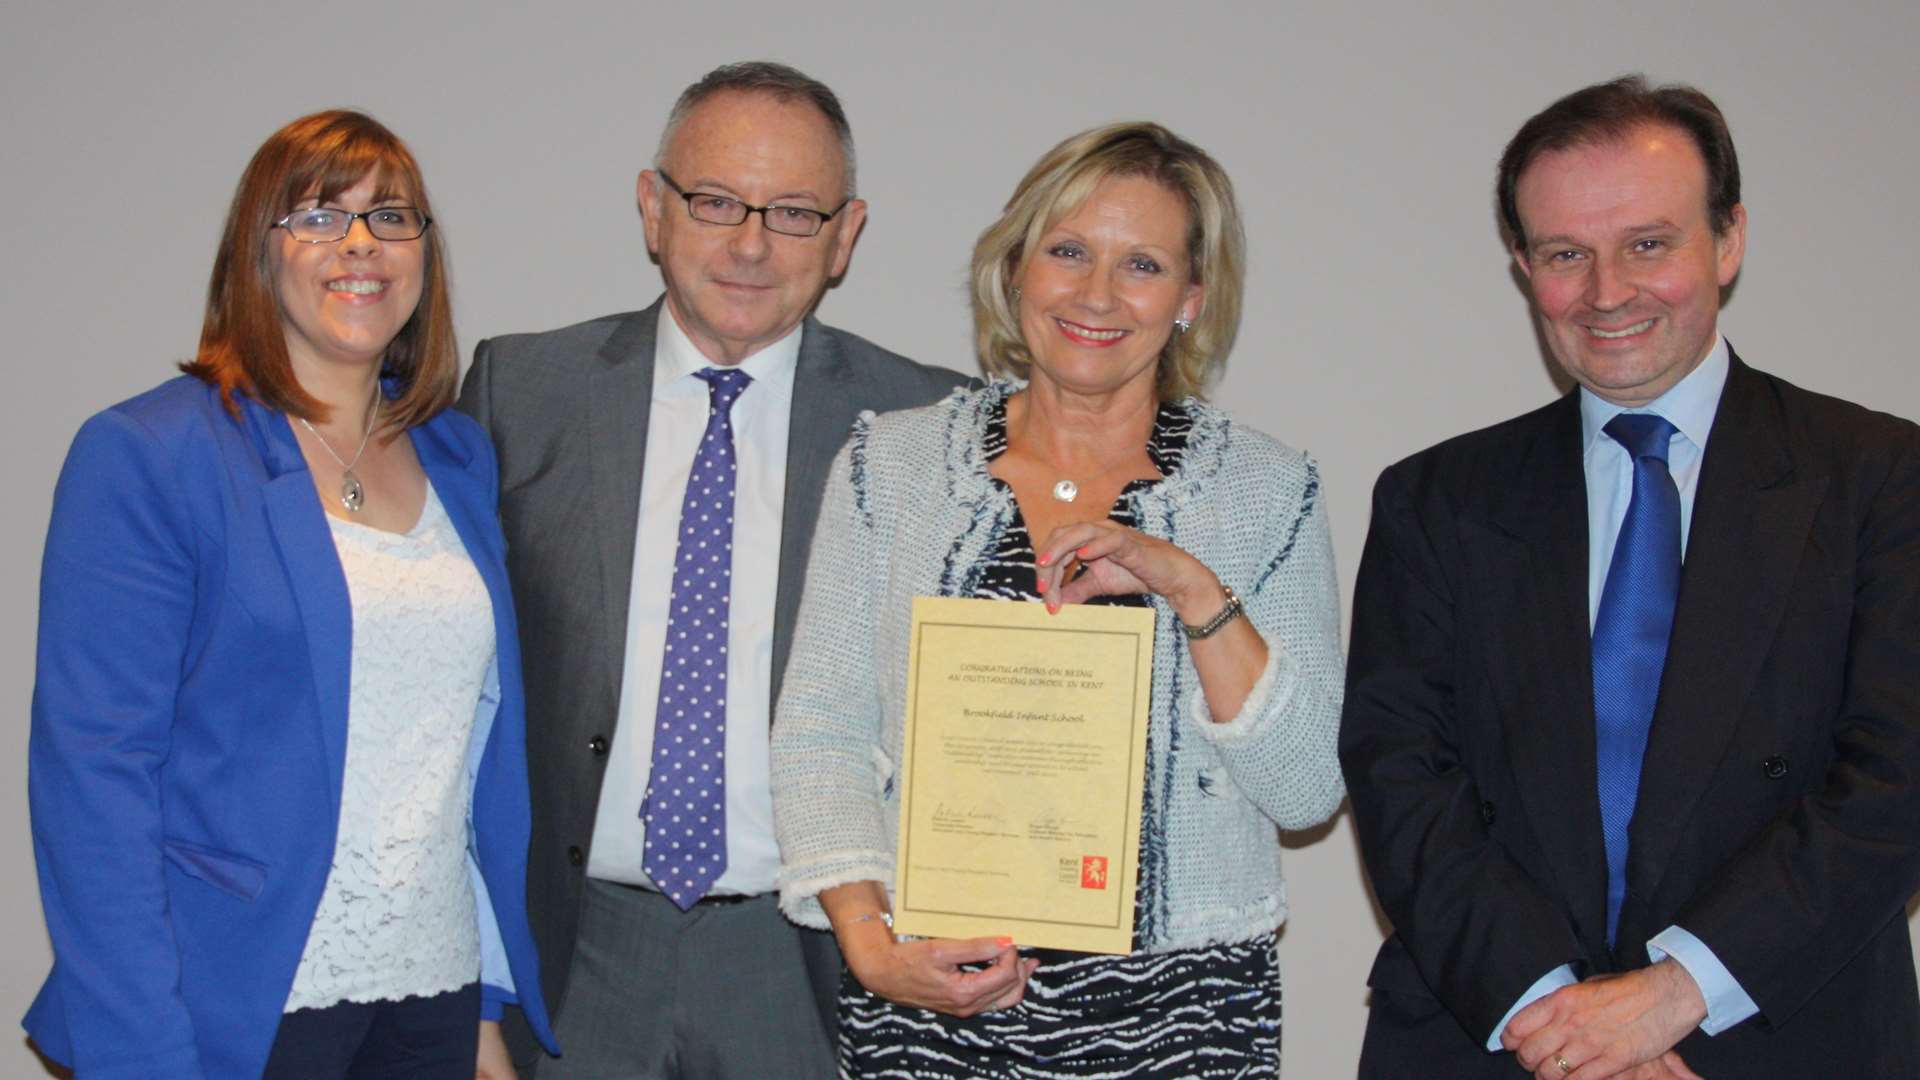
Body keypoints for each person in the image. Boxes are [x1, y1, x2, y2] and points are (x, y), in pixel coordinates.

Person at [1341, 75, 1920, 1079]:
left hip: (1785, 1035)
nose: (1607, 292)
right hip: (1496, 1037)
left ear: (1729, 239)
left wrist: (1675, 993)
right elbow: (1400, 775)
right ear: (1525, 268)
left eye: (1648, 244)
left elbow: (1897, 778)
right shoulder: (1436, 498)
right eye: (1567, 254)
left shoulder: (1882, 477)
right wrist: (1560, 1017)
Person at [770, 121, 1348, 1077]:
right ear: (1016, 269)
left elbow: (1305, 790)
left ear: (1192, 299)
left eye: (1144, 265)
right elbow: (819, 737)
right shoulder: (893, 467)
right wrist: (874, 950)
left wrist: (1190, 585)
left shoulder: (1267, 493)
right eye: (1068, 251)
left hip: (1180, 1014)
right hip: (932, 1000)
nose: (1096, 294)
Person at [23, 110, 556, 1079]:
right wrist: (138, 1055)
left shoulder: (458, 457)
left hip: (430, 999)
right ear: (256, 256)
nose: (361, 245)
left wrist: (482, 1006)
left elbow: (456, 766)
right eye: (317, 216)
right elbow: (94, 781)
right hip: (234, 1007)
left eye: (392, 218)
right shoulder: (153, 455)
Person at [459, 61, 966, 1077]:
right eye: (716, 201)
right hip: (576, 950)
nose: (748, 243)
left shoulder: (928, 426)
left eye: (791, 212)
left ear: (845, 236)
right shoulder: (521, 391)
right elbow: (451, 696)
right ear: (654, 208)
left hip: (805, 956)